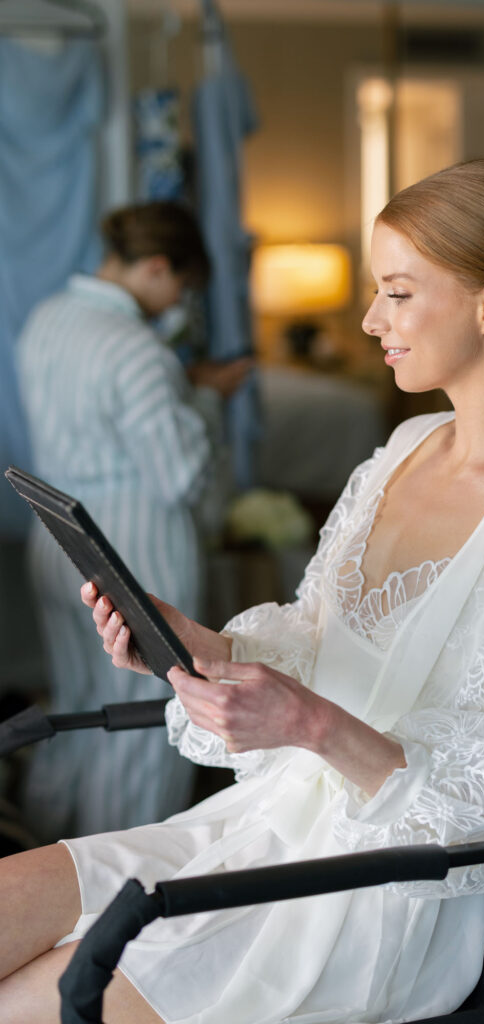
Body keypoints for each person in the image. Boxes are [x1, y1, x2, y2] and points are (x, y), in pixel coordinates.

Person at [0, 160, 484, 1024]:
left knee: (38, 1002)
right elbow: (312, 641)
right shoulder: (404, 446)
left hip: (380, 896)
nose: (372, 319)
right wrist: (201, 647)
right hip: (266, 827)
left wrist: (310, 724)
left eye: (399, 294)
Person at [13, 201, 252, 841]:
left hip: (55, 533)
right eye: (180, 285)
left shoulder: (47, 320)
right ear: (154, 268)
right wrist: (202, 396)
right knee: (146, 715)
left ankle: (43, 853)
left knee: (77, 706)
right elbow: (180, 473)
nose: (177, 301)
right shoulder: (138, 348)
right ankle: (122, 876)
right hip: (131, 541)